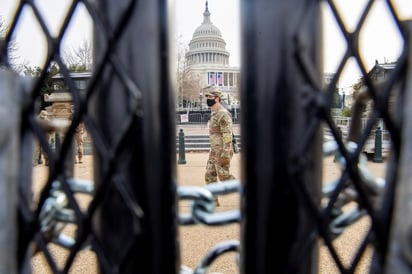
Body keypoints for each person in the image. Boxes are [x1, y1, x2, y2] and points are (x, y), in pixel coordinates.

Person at [204, 86, 236, 206]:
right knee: (209, 175)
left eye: (210, 97)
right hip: (214, 151)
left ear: (217, 98)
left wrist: (225, 153)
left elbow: (227, 134)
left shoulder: (222, 113)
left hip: (222, 150)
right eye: (207, 97)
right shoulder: (214, 113)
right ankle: (212, 202)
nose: (208, 99)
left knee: (224, 177)